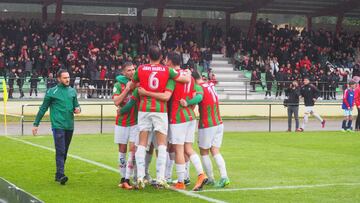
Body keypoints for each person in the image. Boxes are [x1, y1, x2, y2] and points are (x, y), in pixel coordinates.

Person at [131, 45, 190, 189]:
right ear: (162, 57)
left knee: (142, 143)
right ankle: (160, 178)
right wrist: (188, 74)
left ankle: (140, 177)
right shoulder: (166, 70)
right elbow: (184, 79)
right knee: (162, 145)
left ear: (148, 56)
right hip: (160, 109)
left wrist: (142, 89)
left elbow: (133, 85)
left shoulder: (140, 69)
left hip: (144, 109)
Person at [181, 69, 230, 188]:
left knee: (204, 152)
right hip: (219, 122)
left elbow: (198, 99)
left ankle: (211, 178)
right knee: (215, 150)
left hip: (207, 124)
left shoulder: (199, 88)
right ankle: (224, 177)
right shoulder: (210, 84)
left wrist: (187, 103)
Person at [32, 69, 81, 185]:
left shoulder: (72, 91)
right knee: (60, 150)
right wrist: (36, 124)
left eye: (68, 77)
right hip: (58, 125)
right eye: (65, 77)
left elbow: (77, 106)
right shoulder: (51, 92)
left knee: (65, 152)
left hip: (70, 126)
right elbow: (43, 108)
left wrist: (78, 109)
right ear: (59, 79)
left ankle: (58, 174)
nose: (67, 79)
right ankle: (61, 175)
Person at [112, 62, 138, 190]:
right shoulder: (118, 85)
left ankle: (128, 178)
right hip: (121, 123)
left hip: (135, 122)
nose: (132, 72)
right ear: (123, 72)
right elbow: (116, 101)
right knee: (122, 151)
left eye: (133, 69)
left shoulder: (137, 84)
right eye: (129, 70)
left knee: (133, 150)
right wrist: (127, 89)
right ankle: (123, 178)